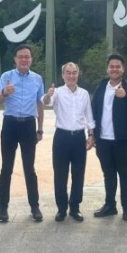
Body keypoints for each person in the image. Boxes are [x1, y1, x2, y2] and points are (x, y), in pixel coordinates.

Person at [0, 44, 45, 223]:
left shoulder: (37, 79)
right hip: (10, 124)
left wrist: (40, 128)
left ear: (31, 59)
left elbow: (40, 104)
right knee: (6, 168)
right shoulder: (6, 76)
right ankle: (3, 208)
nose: (24, 59)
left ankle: (35, 207)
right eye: (21, 56)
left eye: (27, 56)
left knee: (29, 168)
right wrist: (4, 92)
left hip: (28, 125)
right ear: (15, 59)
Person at [42, 62, 95, 222]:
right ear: (63, 75)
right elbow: (45, 102)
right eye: (68, 73)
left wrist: (91, 134)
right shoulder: (57, 92)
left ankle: (75, 207)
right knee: (60, 174)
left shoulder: (84, 94)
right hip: (62, 137)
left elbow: (89, 116)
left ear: (78, 74)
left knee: (78, 174)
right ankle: (61, 208)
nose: (71, 76)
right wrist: (48, 94)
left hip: (78, 137)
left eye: (74, 73)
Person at [91, 54, 127, 221]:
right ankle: (110, 205)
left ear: (123, 69)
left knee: (124, 173)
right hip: (103, 139)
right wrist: (92, 134)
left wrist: (125, 95)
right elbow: (93, 109)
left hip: (123, 140)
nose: (114, 69)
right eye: (111, 66)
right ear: (107, 69)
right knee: (108, 173)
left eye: (118, 66)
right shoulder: (102, 85)